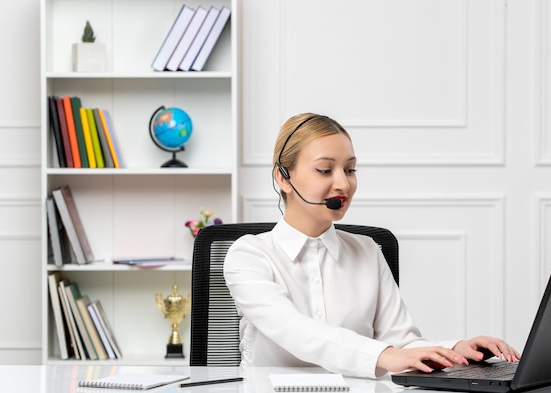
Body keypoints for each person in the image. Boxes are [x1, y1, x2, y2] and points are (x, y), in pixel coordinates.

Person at [223, 113, 520, 379]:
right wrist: (385, 355)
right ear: (283, 177)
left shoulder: (367, 251)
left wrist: (456, 349)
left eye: (350, 170)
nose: (343, 184)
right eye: (325, 170)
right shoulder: (248, 255)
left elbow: (402, 344)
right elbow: (294, 329)